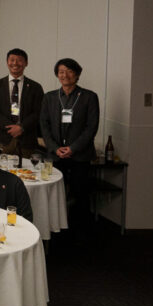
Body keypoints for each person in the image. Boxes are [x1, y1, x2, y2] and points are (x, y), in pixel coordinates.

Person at [40, 57, 99, 232]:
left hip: (80, 156)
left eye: (69, 71)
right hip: (55, 156)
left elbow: (91, 127)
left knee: (80, 194)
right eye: (61, 72)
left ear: (77, 74)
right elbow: (44, 125)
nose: (65, 75)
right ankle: (55, 229)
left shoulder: (89, 97)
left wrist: (73, 148)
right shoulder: (50, 97)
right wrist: (54, 147)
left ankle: (79, 232)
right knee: (54, 195)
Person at [0, 48, 45, 157]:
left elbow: (38, 112)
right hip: (2, 138)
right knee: (1, 166)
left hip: (26, 139)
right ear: (7, 62)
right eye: (12, 60)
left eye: (19, 60)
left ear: (26, 63)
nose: (15, 63)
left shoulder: (35, 87)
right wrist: (10, 127)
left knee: (26, 167)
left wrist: (21, 127)